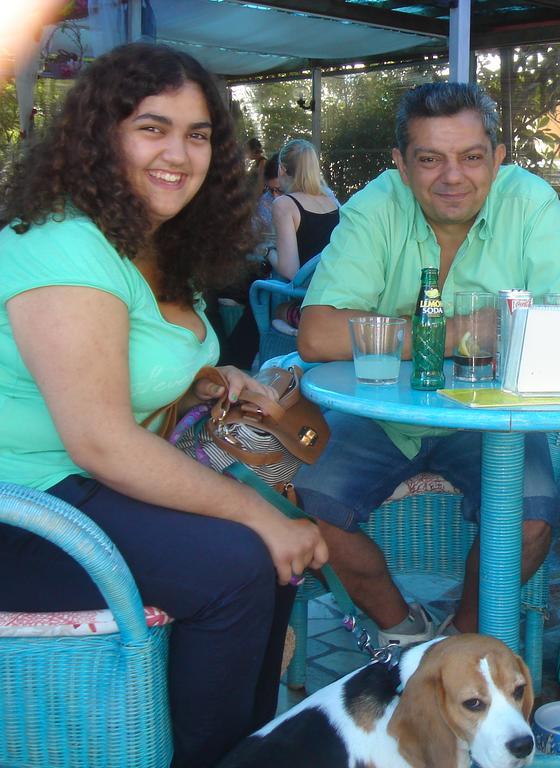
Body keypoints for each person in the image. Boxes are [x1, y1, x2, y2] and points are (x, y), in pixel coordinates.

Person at [0, 43, 328, 768]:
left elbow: (117, 371)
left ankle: (246, 749)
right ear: (100, 134)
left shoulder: (152, 243)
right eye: (153, 127)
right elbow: (100, 441)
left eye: (199, 132)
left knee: (271, 557)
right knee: (241, 562)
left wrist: (204, 380)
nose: (179, 151)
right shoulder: (62, 243)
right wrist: (257, 515)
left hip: (82, 492)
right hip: (23, 508)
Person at [295, 81, 560, 645]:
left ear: (497, 159)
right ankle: (402, 631)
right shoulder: (376, 204)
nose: (453, 177)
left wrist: (394, 333)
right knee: (302, 509)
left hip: (489, 417)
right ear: (401, 164)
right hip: (380, 410)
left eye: (471, 157)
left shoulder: (529, 201)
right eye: (430, 159)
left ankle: (460, 642)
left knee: (532, 522)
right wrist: (460, 331)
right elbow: (316, 334)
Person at [270, 138, 339, 282]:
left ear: (282, 169)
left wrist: (266, 251)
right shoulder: (332, 202)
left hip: (308, 297)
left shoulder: (284, 205)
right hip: (337, 290)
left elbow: (290, 271)